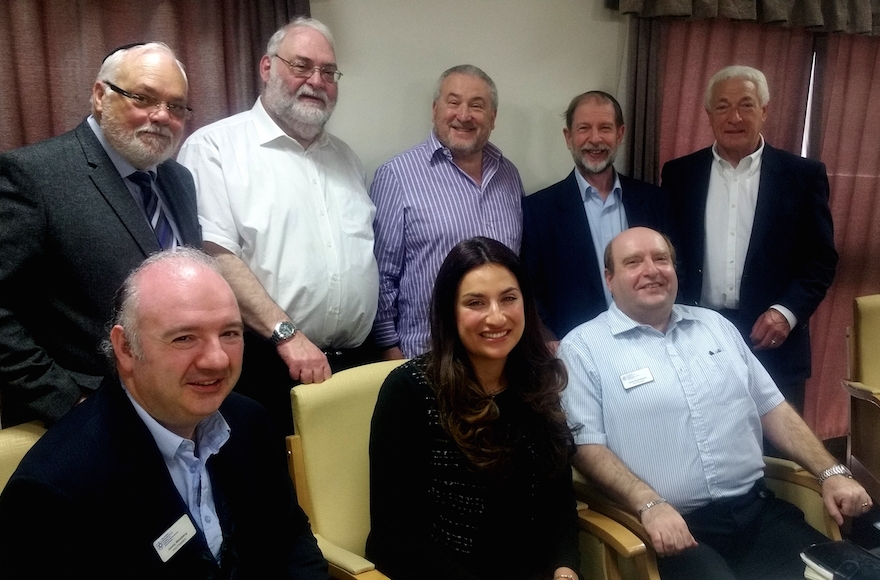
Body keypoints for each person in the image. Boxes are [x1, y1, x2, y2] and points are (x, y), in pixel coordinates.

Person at [558, 227, 870, 580]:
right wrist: (649, 503)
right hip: (668, 529)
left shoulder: (716, 327)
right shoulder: (582, 349)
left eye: (661, 259)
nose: (651, 270)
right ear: (610, 279)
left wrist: (831, 473)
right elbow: (586, 448)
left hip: (757, 512)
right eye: (633, 262)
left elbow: (774, 409)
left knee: (851, 575)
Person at [0, 249, 329, 580]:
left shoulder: (248, 421)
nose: (217, 360)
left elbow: (290, 540)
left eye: (230, 333)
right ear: (126, 348)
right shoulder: (52, 490)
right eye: (185, 337)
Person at [178, 18, 379, 434]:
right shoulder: (215, 147)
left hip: (356, 363)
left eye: (328, 72)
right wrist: (287, 336)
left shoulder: (347, 160)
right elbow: (214, 255)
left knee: (352, 490)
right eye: (302, 66)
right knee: (278, 491)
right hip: (268, 367)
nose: (316, 81)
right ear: (267, 67)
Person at [0, 42, 201, 428]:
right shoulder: (34, 176)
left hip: (178, 410)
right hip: (87, 420)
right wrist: (69, 400)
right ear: (99, 96)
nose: (162, 116)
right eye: (143, 97)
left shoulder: (179, 180)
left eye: (176, 106)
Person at [366, 237, 580, 580]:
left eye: (509, 298)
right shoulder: (409, 391)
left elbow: (559, 504)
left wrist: (565, 570)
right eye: (476, 303)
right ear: (450, 311)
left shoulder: (538, 382)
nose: (496, 317)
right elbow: (396, 538)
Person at [661, 65, 837, 413]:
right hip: (697, 335)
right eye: (723, 106)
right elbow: (670, 253)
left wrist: (786, 313)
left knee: (778, 455)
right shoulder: (680, 174)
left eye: (746, 104)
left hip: (772, 339)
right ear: (709, 115)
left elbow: (820, 259)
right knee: (704, 442)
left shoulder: (802, 176)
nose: (735, 117)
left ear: (765, 111)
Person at [371, 64, 524, 360]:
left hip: (500, 354)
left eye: (476, 106)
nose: (464, 115)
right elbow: (381, 275)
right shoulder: (397, 176)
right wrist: (389, 348)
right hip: (427, 356)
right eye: (453, 103)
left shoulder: (509, 176)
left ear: (492, 118)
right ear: (434, 110)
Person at [522, 91, 672, 342]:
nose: (595, 139)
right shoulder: (537, 210)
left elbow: (676, 273)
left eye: (605, 128)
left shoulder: (656, 202)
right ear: (568, 137)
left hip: (652, 341)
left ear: (620, 134)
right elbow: (529, 290)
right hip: (573, 349)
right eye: (584, 129)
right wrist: (547, 341)